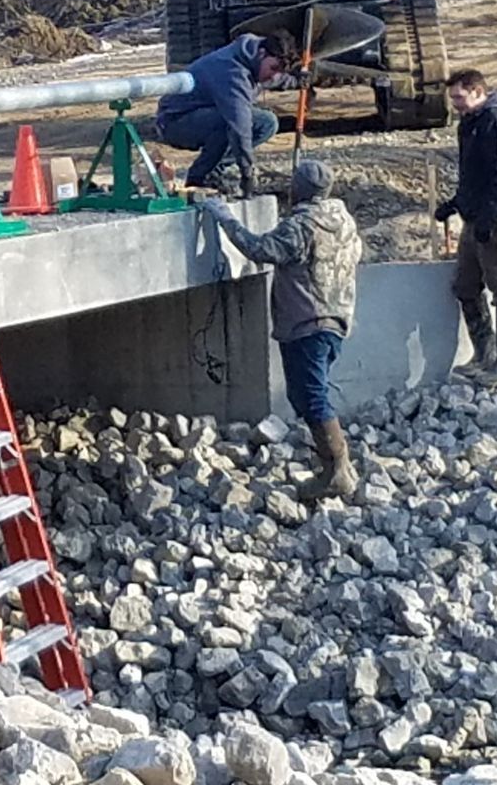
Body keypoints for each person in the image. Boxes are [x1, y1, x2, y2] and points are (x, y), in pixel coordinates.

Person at [199, 158, 364, 500]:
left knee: (312, 396)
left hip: (307, 321)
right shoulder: (344, 220)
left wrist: (224, 217)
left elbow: (258, 249)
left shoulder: (300, 227)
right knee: (303, 394)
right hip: (337, 317)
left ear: (300, 189)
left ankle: (337, 469)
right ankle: (331, 462)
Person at [434, 67, 497, 385]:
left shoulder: (495, 120)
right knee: (466, 286)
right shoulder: (469, 123)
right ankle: (484, 356)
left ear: (476, 91)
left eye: (459, 97)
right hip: (476, 216)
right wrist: (455, 204)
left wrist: (489, 217)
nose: (455, 104)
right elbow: (471, 176)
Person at [155, 29, 296, 196]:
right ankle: (198, 178)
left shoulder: (252, 57)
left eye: (279, 72)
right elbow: (240, 126)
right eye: (273, 69)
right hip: (174, 121)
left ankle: (215, 170)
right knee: (228, 122)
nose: (274, 77)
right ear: (261, 53)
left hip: (204, 113)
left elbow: (275, 78)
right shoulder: (232, 72)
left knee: (267, 122)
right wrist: (247, 173)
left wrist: (298, 80)